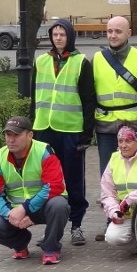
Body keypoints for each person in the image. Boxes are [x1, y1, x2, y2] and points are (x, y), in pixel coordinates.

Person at [30, 18, 95, 247]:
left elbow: (89, 101)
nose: (58, 38)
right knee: (47, 181)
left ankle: (76, 226)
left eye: (62, 34)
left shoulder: (81, 63)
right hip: (44, 129)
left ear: (70, 37)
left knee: (73, 180)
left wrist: (87, 135)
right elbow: (33, 97)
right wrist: (31, 129)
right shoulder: (41, 61)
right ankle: (51, 227)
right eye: (55, 34)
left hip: (70, 130)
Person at [0, 116, 70, 265]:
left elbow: (54, 186)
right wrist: (10, 214)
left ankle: (51, 248)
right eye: (8, 135)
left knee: (59, 205)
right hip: (14, 210)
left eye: (16, 135)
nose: (11, 140)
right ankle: (21, 244)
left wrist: (26, 209)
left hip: (43, 206)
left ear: (30, 135)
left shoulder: (44, 151)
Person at [93, 16, 137, 178]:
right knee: (108, 170)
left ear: (129, 33)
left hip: (133, 123)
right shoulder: (97, 59)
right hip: (105, 125)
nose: (112, 35)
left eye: (118, 31)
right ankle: (109, 200)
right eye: (109, 31)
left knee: (135, 170)